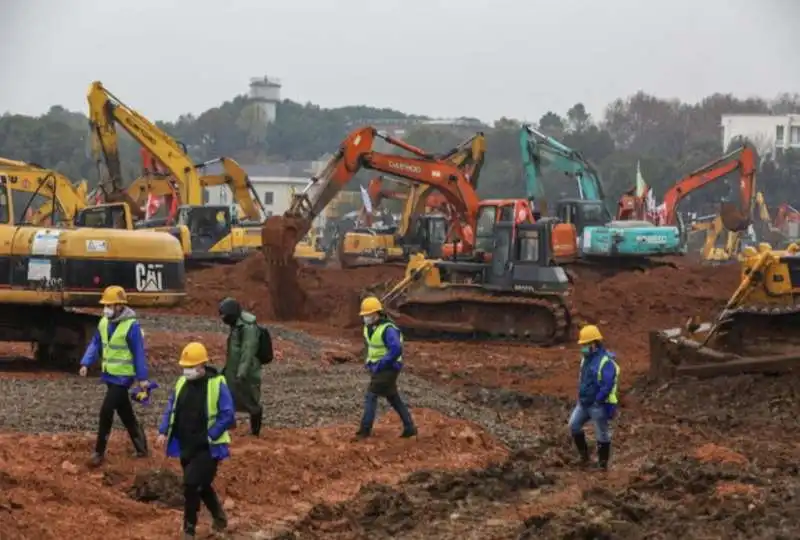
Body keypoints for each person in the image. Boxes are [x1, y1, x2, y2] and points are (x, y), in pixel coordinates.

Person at [156, 342, 234, 539]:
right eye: (185, 367)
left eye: (191, 367)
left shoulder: (216, 383)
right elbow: (171, 407)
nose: (187, 371)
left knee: (191, 485)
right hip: (186, 444)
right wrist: (163, 431)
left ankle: (188, 530)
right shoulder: (182, 383)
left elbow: (228, 414)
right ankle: (219, 516)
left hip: (208, 447)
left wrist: (212, 434)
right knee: (201, 484)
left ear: (202, 366)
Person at [79, 285, 150, 467]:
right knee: (125, 412)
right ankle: (141, 446)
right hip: (110, 376)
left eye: (110, 305)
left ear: (120, 305)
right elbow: (96, 343)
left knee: (106, 411)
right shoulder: (104, 322)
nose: (106, 309)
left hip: (123, 378)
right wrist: (86, 363)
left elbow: (138, 353)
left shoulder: (131, 326)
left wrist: (142, 378)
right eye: (106, 305)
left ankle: (99, 452)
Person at [356, 296, 417, 439]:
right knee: (393, 397)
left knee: (371, 396)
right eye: (364, 315)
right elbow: (371, 347)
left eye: (367, 315)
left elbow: (396, 349)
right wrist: (370, 362)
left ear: (376, 313)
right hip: (379, 367)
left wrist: (381, 364)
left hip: (388, 368)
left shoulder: (388, 329)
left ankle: (365, 430)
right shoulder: (369, 327)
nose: (365, 318)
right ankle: (409, 427)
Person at [568, 324, 620, 470]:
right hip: (584, 403)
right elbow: (583, 378)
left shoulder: (605, 361)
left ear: (594, 344)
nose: (583, 347)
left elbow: (607, 384)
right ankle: (584, 457)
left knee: (602, 434)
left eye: (585, 344)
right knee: (574, 425)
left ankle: (602, 465)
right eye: (582, 344)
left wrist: (598, 399)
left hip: (597, 405)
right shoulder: (585, 359)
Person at [218, 297, 263, 436]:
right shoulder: (237, 325)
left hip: (247, 372)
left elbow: (247, 351)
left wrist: (241, 373)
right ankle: (229, 425)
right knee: (226, 395)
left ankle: (255, 432)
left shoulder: (248, 327)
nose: (223, 319)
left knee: (250, 401)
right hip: (233, 369)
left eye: (225, 316)